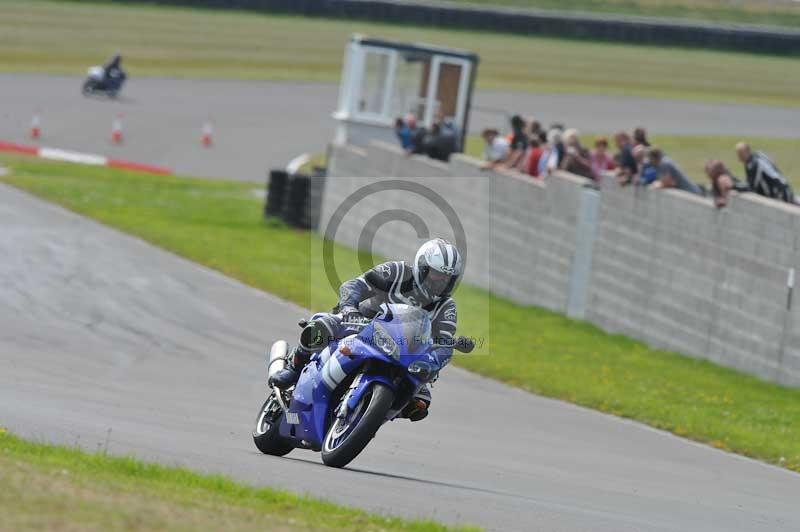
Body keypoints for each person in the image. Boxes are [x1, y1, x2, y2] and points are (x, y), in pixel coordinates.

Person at [269, 238, 464, 422]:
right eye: (436, 274)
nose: (440, 282)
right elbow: (354, 285)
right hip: (362, 323)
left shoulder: (447, 306)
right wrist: (349, 309)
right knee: (322, 324)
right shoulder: (397, 271)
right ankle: (293, 369)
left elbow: (444, 343)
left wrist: (432, 362)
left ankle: (370, 414)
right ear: (422, 268)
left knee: (421, 400)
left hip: (402, 349)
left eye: (448, 278)